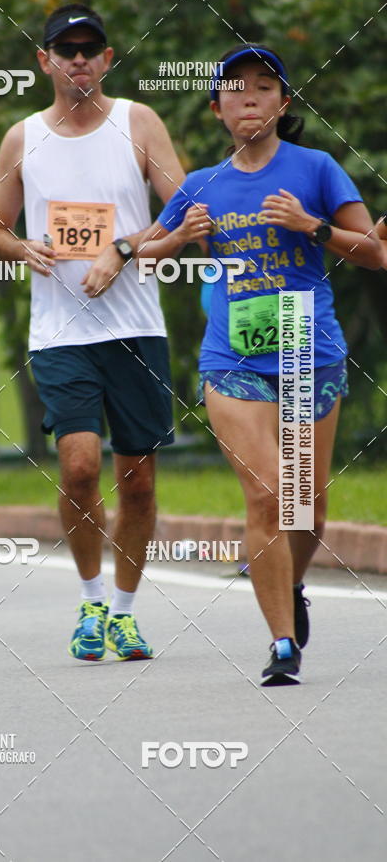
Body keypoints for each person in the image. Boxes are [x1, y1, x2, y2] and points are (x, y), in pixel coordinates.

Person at [136, 45, 383, 685]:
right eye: (236, 88)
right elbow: (148, 258)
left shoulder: (319, 169)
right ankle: (281, 645)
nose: (251, 96)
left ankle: (290, 586)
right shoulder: (200, 186)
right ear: (217, 107)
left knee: (309, 509)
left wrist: (314, 227)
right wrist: (178, 241)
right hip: (233, 358)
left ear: (283, 103)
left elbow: (374, 253)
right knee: (270, 494)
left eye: (265, 86)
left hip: (308, 348)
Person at [0, 4, 185, 661]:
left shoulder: (138, 122)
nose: (78, 60)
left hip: (135, 328)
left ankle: (125, 613)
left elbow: (186, 218)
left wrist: (123, 249)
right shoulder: (22, 138)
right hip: (60, 331)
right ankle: (91, 600)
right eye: (64, 49)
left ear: (107, 59)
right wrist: (26, 250)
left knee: (140, 482)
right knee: (79, 467)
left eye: (89, 49)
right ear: (43, 60)